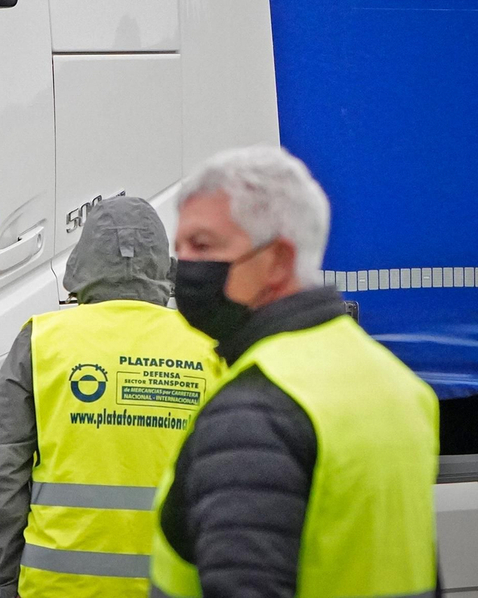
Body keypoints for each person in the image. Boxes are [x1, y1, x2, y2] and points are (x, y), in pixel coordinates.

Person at [153, 146, 440, 597]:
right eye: (180, 247)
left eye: (203, 245)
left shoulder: (254, 410)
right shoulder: (397, 382)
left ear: (279, 260)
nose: (183, 266)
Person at [0, 196, 220, 598]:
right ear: (162, 264)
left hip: (55, 586)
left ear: (83, 261)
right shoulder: (206, 349)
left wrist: (12, 574)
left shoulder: (42, 342)